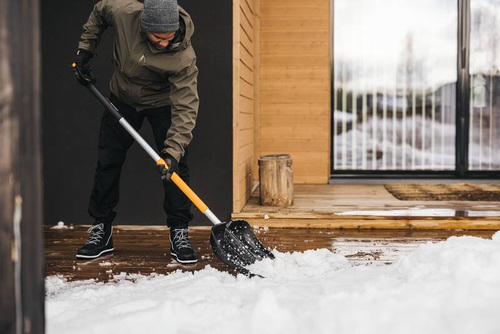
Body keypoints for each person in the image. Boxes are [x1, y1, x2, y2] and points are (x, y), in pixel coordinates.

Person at [72, 0, 199, 264]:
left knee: (176, 168)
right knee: (108, 162)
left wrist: (173, 150)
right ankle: (102, 230)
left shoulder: (184, 56)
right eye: (158, 37)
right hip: (121, 98)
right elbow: (99, 11)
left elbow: (186, 107)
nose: (165, 43)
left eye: (169, 37)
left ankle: (179, 231)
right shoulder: (124, 13)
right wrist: (86, 49)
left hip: (160, 103)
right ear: (144, 26)